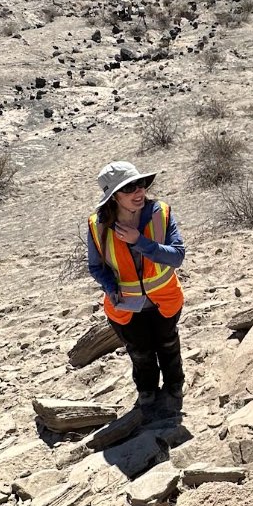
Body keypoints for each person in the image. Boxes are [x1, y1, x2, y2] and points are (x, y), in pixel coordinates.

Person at [87, 161, 186, 410]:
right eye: (129, 188)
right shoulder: (98, 225)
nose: (138, 191)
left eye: (140, 184)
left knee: (168, 344)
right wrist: (111, 287)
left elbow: (177, 256)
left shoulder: (160, 213)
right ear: (113, 196)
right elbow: (96, 267)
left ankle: (175, 385)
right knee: (140, 352)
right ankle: (147, 391)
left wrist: (140, 241)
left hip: (165, 298)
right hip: (126, 307)